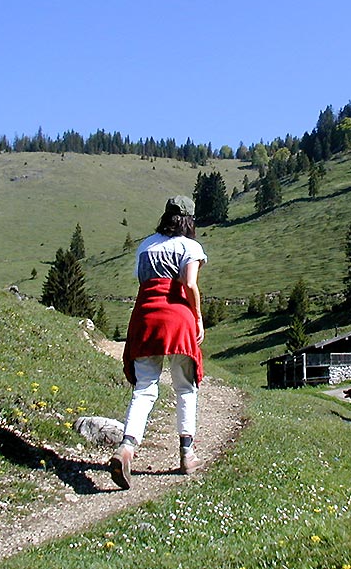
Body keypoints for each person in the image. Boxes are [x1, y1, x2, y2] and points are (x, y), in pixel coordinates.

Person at [109, 195, 207, 489]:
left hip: (145, 317)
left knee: (145, 387)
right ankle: (186, 454)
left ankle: (127, 447)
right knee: (185, 387)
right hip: (177, 317)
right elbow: (189, 284)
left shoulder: (145, 246)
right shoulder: (190, 247)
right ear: (189, 220)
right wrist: (198, 316)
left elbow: (144, 283)